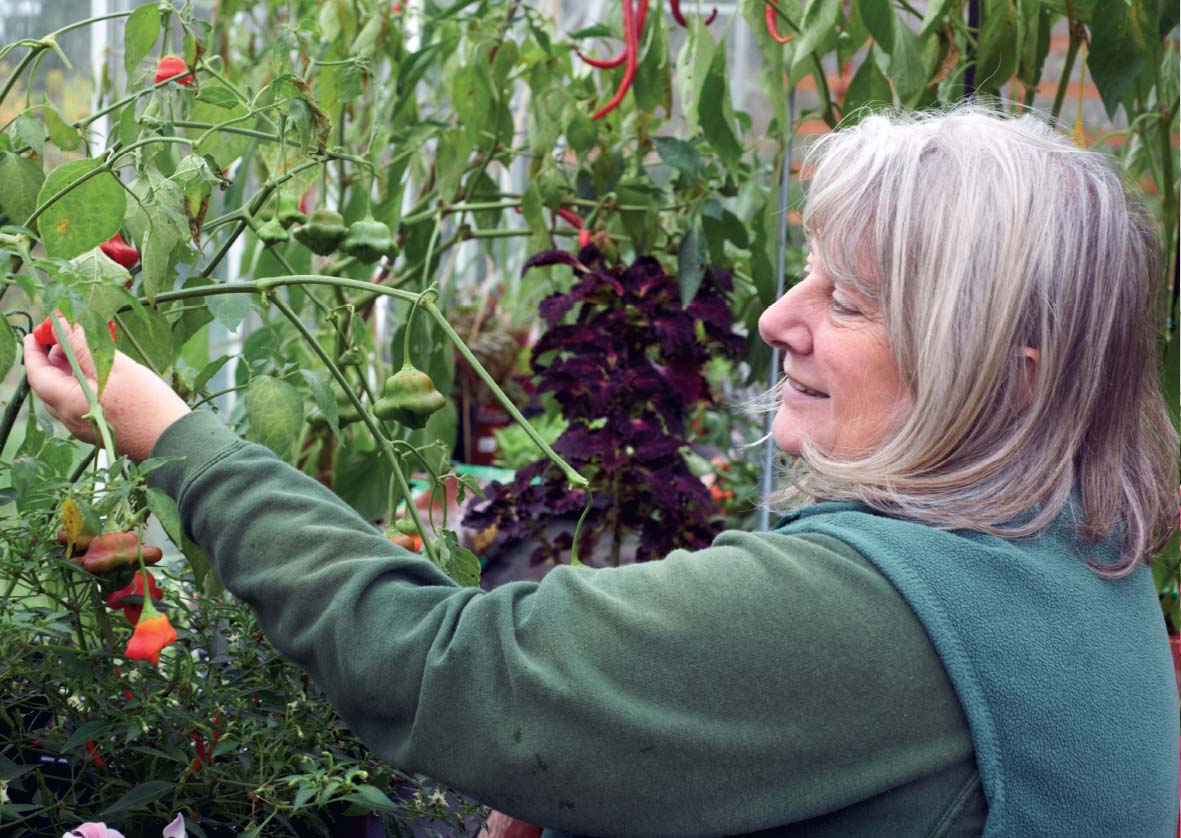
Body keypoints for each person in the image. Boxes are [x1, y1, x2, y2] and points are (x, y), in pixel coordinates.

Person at [23, 104, 1180, 837]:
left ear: (1010, 379)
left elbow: (447, 666)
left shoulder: (890, 614)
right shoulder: (1071, 561)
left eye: (848, 300)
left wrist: (166, 428)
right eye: (807, 275)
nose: (778, 319)